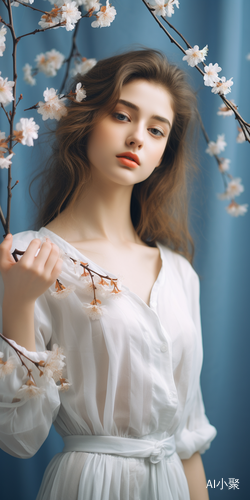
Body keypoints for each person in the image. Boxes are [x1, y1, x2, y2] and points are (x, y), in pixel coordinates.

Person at [0, 49, 217, 500]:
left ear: (163, 154)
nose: (137, 137)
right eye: (122, 116)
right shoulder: (25, 258)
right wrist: (17, 303)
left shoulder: (179, 274)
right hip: (87, 485)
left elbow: (188, 441)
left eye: (156, 130)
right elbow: (18, 437)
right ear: (87, 120)